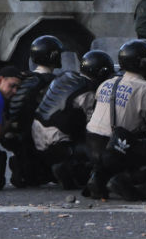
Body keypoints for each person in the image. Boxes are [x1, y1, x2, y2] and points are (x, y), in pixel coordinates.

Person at [84, 39, 146, 201]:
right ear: (143, 64)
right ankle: (124, 181)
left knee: (124, 141)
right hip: (116, 149)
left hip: (91, 145)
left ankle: (98, 176)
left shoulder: (106, 83)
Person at [32, 50, 115, 189]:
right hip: (57, 144)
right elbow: (93, 126)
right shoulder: (87, 91)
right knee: (97, 148)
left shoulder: (65, 76)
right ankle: (67, 168)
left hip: (37, 136)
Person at [4, 35, 63, 187]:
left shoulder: (22, 77)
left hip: (15, 136)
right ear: (53, 56)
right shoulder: (54, 81)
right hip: (41, 140)